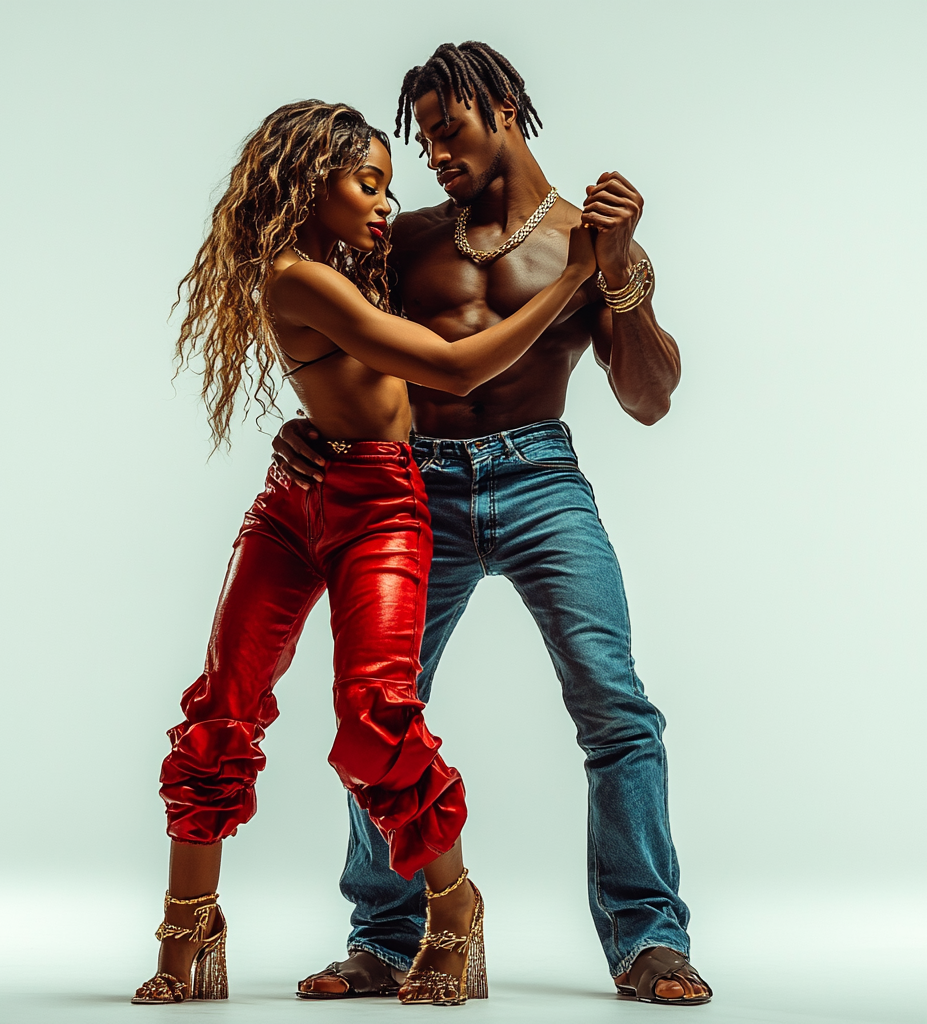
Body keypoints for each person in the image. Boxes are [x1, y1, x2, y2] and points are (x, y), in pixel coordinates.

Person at [130, 99, 595, 1007]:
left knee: (374, 714)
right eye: (367, 182)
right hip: (294, 509)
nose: (387, 201)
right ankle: (189, 921)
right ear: (310, 184)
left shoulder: (350, 269)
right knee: (222, 705)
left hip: (382, 500)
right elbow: (454, 370)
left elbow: (358, 387)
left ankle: (453, 915)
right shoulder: (297, 275)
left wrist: (303, 426)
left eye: (389, 183)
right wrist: (571, 280)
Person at [278, 44, 713, 1006]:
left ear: (507, 105)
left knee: (616, 706)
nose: (432, 152)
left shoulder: (588, 241)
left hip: (541, 475)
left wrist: (625, 267)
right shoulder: (406, 241)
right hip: (411, 482)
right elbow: (337, 346)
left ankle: (648, 938)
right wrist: (303, 424)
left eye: (449, 129)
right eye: (423, 135)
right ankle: (384, 940)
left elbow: (650, 398)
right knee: (381, 709)